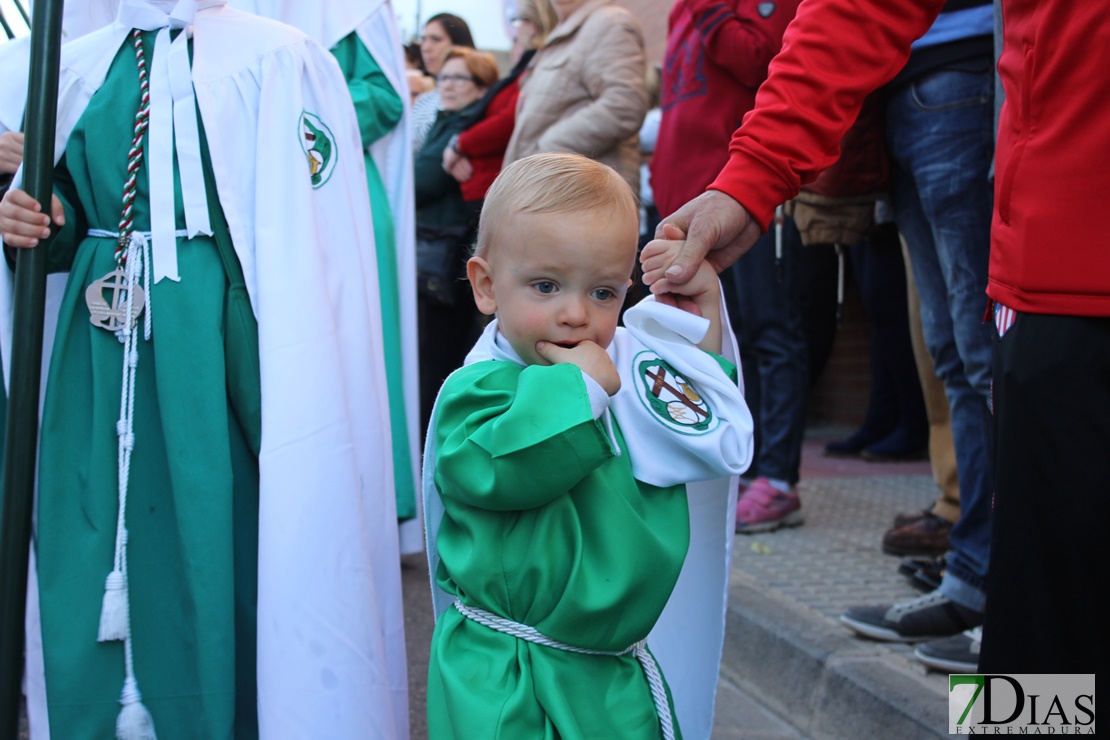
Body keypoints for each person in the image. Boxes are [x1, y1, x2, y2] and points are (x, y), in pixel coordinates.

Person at [645, 0, 1109, 678]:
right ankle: (976, 590)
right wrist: (754, 175)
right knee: (1038, 675)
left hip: (1062, 245)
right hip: (1068, 261)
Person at [0, 2, 408, 736]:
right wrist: (35, 216)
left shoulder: (277, 59)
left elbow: (295, 230)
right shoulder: (77, 64)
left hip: (213, 338)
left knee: (226, 530)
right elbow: (63, 205)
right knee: (89, 530)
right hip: (99, 341)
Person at [422, 152, 754, 739]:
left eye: (603, 293)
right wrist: (577, 390)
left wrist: (697, 326)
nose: (576, 315)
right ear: (486, 286)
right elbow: (500, 469)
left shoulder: (618, 370)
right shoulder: (477, 392)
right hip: (509, 677)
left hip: (612, 674)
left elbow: (694, 426)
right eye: (546, 286)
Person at [236, 0, 422, 533]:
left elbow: (383, 96)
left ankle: (360, 500)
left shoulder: (352, 9)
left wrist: (288, 109)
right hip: (251, 187)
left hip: (333, 186)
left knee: (348, 342)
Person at [652, 0, 804, 533]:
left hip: (739, 200)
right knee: (706, 341)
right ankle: (730, 461)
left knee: (769, 333)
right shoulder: (681, 13)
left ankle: (778, 478)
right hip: (681, 200)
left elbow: (763, 61)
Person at [414, 46, 499, 434]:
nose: (447, 85)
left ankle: (437, 438)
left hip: (449, 257)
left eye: (458, 78)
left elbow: (419, 182)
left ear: (481, 87)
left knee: (441, 356)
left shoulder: (464, 129)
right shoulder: (443, 122)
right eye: (443, 77)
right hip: (433, 251)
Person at [503, 0, 648, 193]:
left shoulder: (608, 22)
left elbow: (624, 105)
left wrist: (547, 151)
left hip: (583, 198)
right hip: (547, 191)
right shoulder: (561, 36)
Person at [441, 0, 558, 226]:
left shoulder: (537, 68)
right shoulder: (526, 68)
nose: (516, 31)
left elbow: (507, 121)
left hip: (494, 191)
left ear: (532, 25)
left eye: (517, 22)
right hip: (484, 191)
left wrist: (459, 145)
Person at [411, 12, 475, 155]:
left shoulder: (473, 96)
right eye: (423, 40)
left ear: (458, 45)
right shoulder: (424, 100)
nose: (425, 47)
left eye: (436, 39)